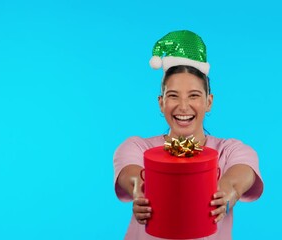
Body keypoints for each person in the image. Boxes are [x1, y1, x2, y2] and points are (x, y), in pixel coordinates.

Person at [113, 30, 264, 240]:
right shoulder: (137, 147)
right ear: (161, 102)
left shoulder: (230, 150)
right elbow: (131, 175)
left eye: (194, 96)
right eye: (173, 96)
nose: (183, 107)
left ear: (208, 102)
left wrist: (226, 194)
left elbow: (241, 175)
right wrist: (141, 191)